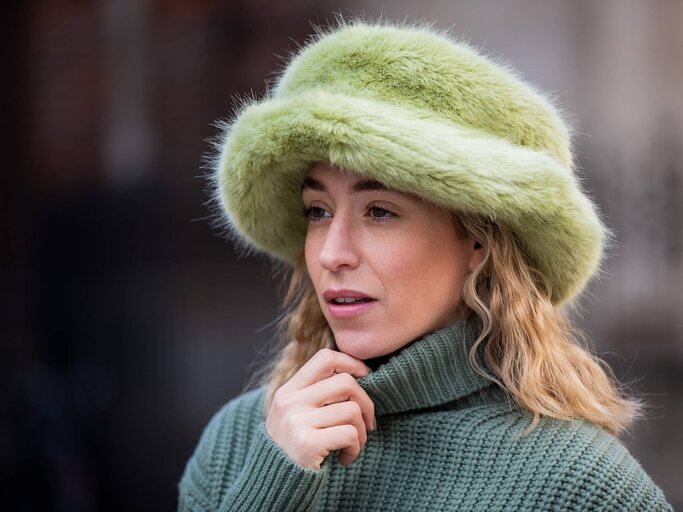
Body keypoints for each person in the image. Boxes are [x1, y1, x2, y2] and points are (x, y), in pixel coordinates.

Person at [177, 18, 673, 511]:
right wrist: (271, 485)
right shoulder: (242, 443)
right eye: (318, 211)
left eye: (380, 212)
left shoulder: (575, 484)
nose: (331, 253)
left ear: (479, 240)